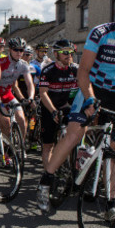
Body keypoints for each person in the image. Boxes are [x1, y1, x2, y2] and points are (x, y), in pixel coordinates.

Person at [36, 3, 115, 226]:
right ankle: (46, 180)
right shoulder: (101, 33)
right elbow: (83, 71)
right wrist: (90, 98)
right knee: (74, 135)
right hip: (91, 87)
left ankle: (111, 207)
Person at [37, 39, 78, 169]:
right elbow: (43, 93)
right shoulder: (48, 71)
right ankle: (48, 177)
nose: (69, 55)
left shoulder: (76, 69)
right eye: (65, 52)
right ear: (56, 54)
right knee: (48, 145)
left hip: (67, 107)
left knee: (73, 141)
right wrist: (53, 111)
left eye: (72, 52)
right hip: (49, 108)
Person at [0, 37, 35, 141]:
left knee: (22, 119)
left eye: (21, 50)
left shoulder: (23, 65)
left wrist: (30, 97)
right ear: (10, 49)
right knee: (6, 122)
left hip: (8, 94)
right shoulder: (1, 62)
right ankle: (5, 150)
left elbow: (29, 83)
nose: (19, 52)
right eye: (16, 50)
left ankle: (21, 147)